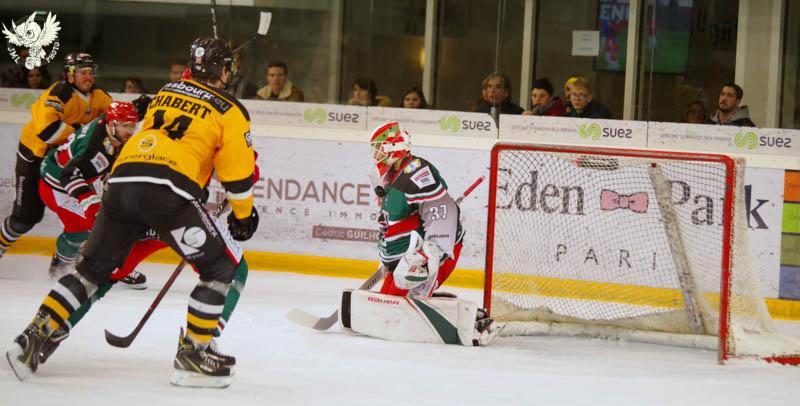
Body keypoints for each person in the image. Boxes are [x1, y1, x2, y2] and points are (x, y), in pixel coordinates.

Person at [6, 38, 258, 388]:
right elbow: (238, 174)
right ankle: (195, 353)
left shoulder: (167, 92)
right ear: (221, 70)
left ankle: (33, 337)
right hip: (169, 195)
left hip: (123, 184)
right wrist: (244, 215)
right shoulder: (230, 110)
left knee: (90, 271)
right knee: (221, 268)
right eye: (228, 67)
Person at [343, 121, 497, 346]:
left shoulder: (418, 174)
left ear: (393, 147)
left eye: (379, 148)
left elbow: (443, 214)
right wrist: (388, 256)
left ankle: (475, 323)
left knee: (401, 308)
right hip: (405, 257)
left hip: (429, 255)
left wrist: (429, 254)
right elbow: (394, 220)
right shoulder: (388, 174)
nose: (375, 154)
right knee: (388, 305)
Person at [0, 52, 112, 258]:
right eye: (83, 72)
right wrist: (84, 134)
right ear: (69, 74)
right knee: (24, 220)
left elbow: (113, 122)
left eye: (91, 72)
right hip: (35, 157)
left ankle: (63, 264)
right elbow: (48, 131)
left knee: (84, 219)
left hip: (65, 163)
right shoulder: (59, 93)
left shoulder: (99, 95)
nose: (89, 77)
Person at [39, 101, 146, 288]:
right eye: (125, 126)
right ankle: (114, 268)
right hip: (57, 188)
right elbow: (69, 175)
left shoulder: (108, 125)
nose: (130, 131)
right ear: (112, 124)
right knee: (102, 225)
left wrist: (144, 106)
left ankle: (59, 267)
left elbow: (116, 111)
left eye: (132, 126)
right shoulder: (94, 148)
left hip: (70, 178)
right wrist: (90, 203)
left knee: (76, 232)